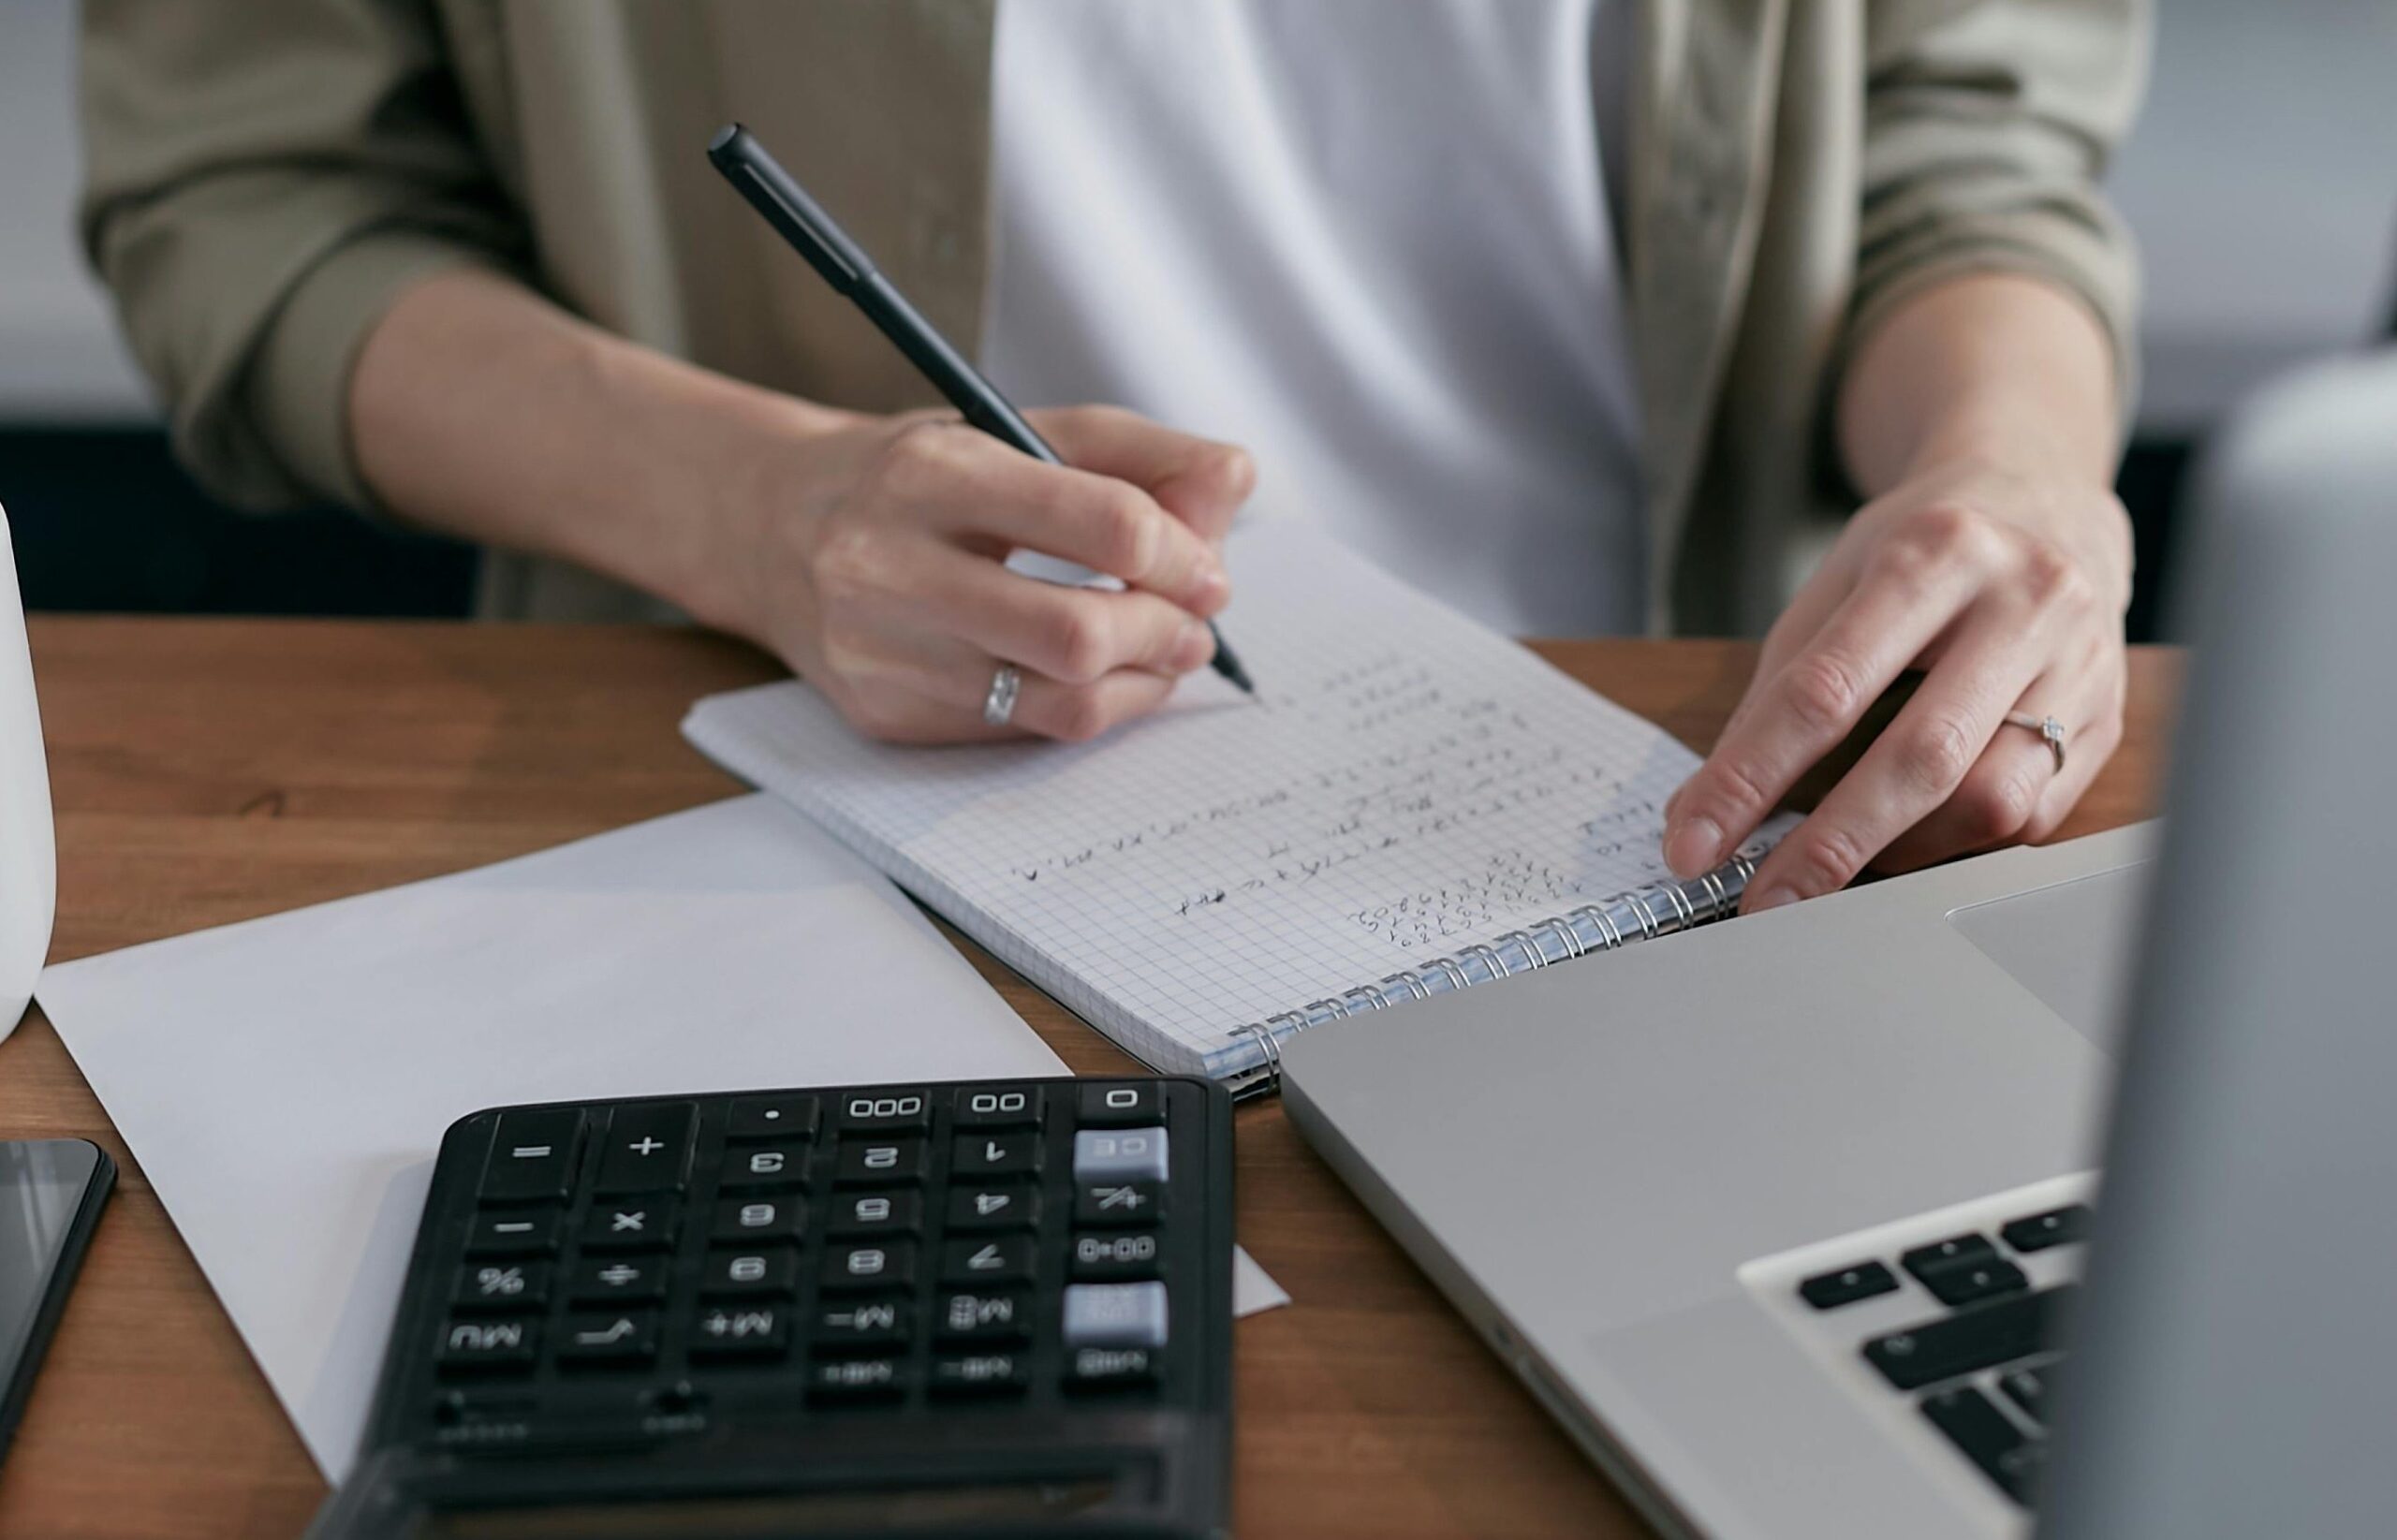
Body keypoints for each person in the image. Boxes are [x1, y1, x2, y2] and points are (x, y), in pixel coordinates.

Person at [78, 0, 2147, 913]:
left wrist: (2012, 470)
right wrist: (761, 502)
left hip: (1671, 761)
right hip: (778, 787)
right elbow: (249, 206)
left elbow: (1961, 159)